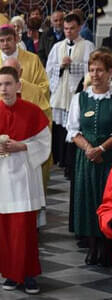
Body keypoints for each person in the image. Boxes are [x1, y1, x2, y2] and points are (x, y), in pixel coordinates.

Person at [0, 66, 51, 295]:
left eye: (7, 84)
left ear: (18, 85)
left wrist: (23, 146)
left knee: (25, 230)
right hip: (1, 179)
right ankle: (10, 273)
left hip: (25, 179)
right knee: (5, 230)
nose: (3, 89)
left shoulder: (33, 112)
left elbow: (45, 143)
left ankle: (28, 275)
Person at [66, 50, 112, 266]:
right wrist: (89, 149)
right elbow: (73, 130)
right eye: (92, 70)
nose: (95, 74)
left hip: (109, 160)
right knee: (88, 201)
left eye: (100, 70)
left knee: (108, 203)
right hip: (86, 159)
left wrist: (101, 149)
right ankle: (92, 247)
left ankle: (106, 248)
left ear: (110, 73)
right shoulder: (80, 98)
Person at [46, 13, 95, 171]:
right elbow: (49, 69)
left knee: (74, 126)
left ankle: (70, 163)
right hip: (60, 92)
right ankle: (59, 159)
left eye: (72, 28)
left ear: (79, 28)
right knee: (60, 127)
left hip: (77, 90)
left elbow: (90, 69)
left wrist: (73, 65)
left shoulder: (87, 45)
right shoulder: (57, 47)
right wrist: (61, 66)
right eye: (66, 28)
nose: (68, 31)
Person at [0, 25, 49, 101]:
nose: (5, 44)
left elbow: (43, 86)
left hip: (26, 108)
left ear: (16, 39)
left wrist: (24, 91)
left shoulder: (33, 60)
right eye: (2, 41)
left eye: (9, 39)